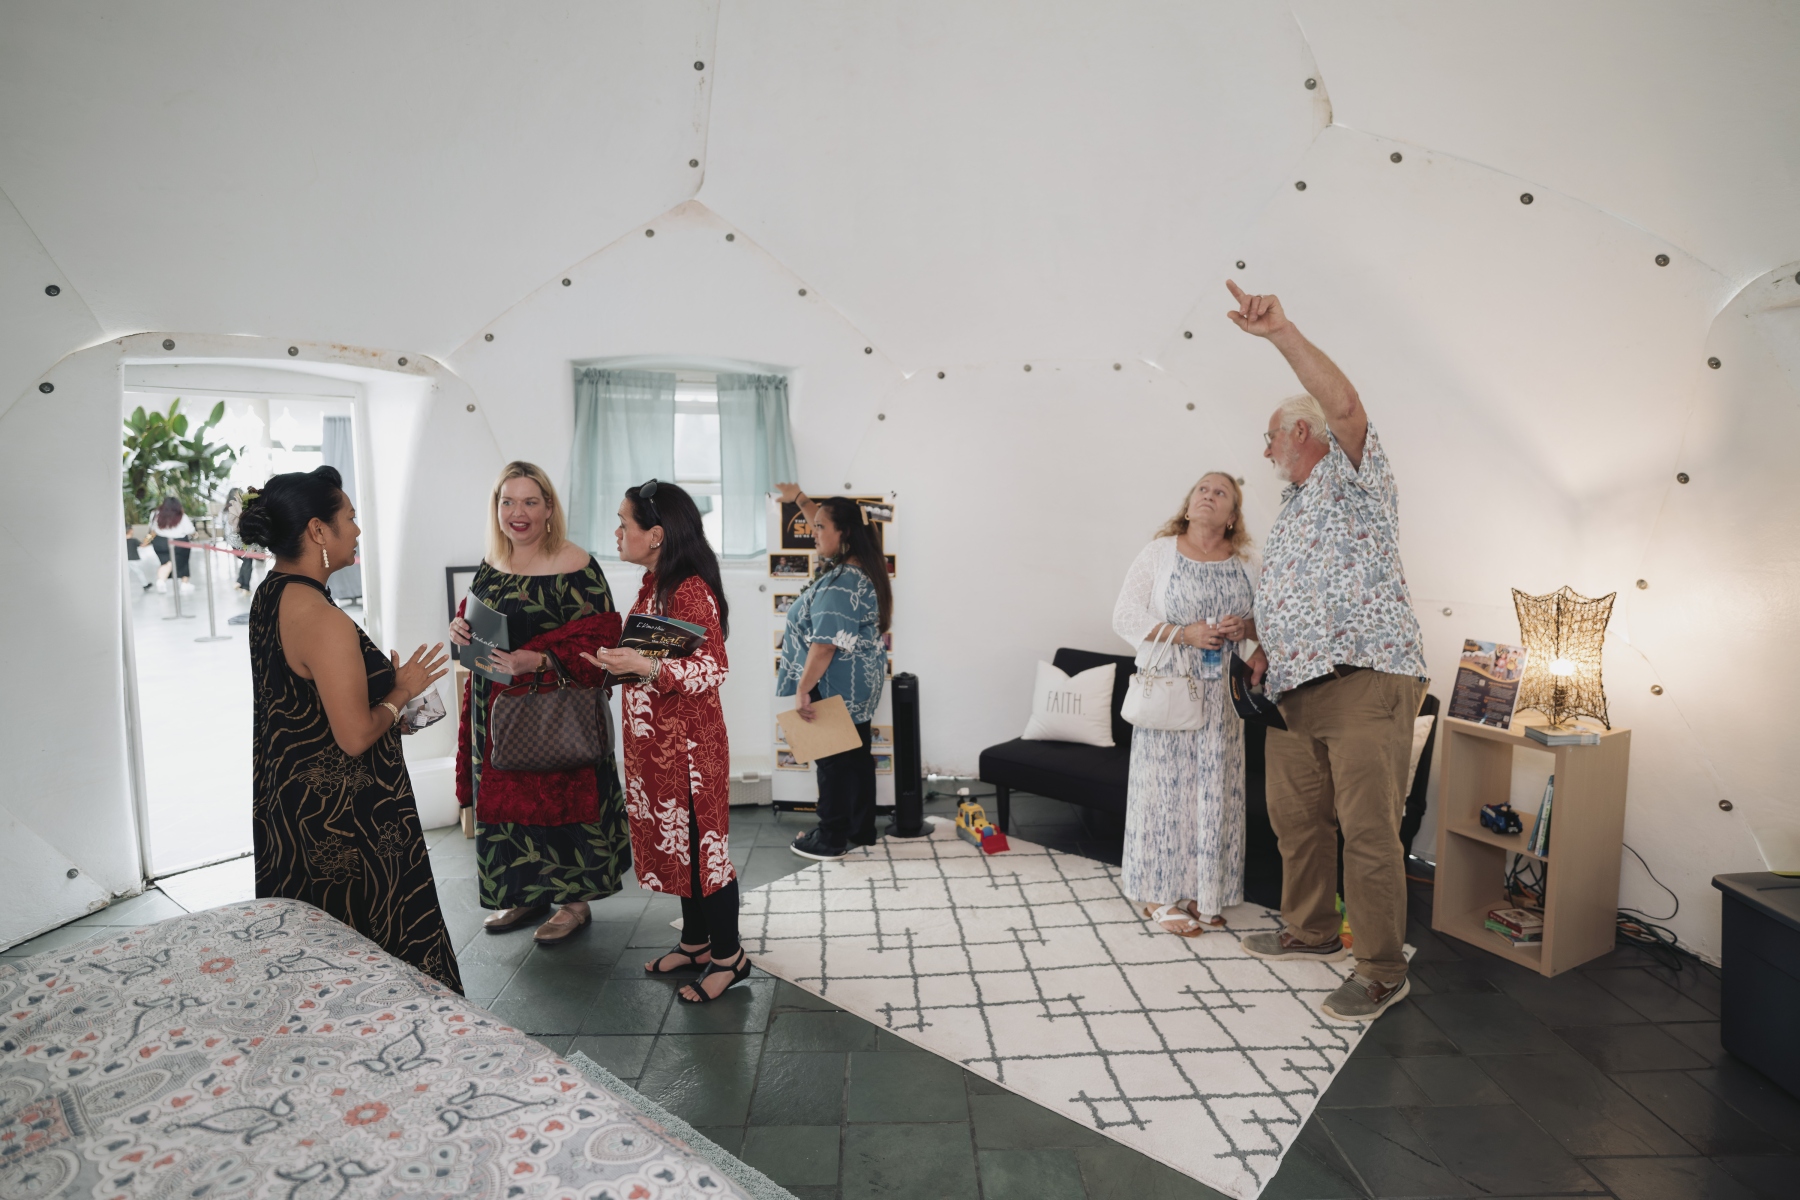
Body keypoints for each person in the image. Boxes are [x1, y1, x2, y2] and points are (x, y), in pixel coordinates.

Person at [1223, 280, 1429, 1023]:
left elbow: (1346, 404)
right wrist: (1261, 644)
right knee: (1298, 821)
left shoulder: (1353, 476)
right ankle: (1311, 931)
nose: (1265, 450)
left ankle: (1381, 969)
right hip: (1293, 688)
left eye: (1271, 436)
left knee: (1369, 832)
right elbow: (1298, 598)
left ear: (1302, 432)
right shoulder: (1293, 510)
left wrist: (1280, 333)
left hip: (1365, 679)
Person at [238, 467, 463, 991]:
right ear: (319, 530)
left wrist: (383, 696)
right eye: (351, 518)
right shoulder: (321, 618)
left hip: (293, 807)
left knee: (318, 957)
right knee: (373, 953)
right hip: (348, 823)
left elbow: (306, 710)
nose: (358, 530)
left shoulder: (270, 595)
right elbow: (355, 736)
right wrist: (401, 690)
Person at [449, 462, 631, 945]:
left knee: (559, 801)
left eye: (530, 501)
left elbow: (603, 643)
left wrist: (543, 659)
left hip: (555, 710)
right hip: (496, 707)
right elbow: (479, 618)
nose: (518, 512)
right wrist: (459, 627)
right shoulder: (493, 561)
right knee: (507, 806)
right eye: (508, 501)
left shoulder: (577, 564)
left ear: (549, 508)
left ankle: (574, 904)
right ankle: (525, 894)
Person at [580, 481, 746, 1004]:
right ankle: (696, 943)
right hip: (659, 748)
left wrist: (645, 667)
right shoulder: (655, 584)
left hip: (689, 753)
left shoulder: (689, 589)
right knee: (680, 847)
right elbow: (655, 661)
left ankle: (729, 958)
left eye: (623, 522)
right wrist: (617, 665)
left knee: (705, 851)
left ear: (655, 534)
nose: (617, 532)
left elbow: (712, 668)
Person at [1113, 473, 1266, 936]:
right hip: (1170, 689)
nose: (1208, 496)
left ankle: (1206, 889)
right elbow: (1125, 616)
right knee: (1164, 794)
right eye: (1202, 489)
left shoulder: (1247, 562)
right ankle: (1157, 894)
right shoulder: (1159, 553)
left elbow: (1271, 622)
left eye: (1220, 493)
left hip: (1222, 698)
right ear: (1187, 505)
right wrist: (1185, 634)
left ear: (1233, 515)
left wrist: (1247, 631)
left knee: (1216, 793)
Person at [772, 486, 892, 861]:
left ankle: (830, 838)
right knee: (855, 758)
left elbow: (825, 645)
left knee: (831, 762)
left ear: (844, 533)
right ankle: (860, 830)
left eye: (821, 527)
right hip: (858, 683)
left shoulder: (841, 583)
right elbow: (827, 522)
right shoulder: (860, 569)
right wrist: (800, 499)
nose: (814, 532)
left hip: (833, 682)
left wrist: (803, 689)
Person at [147, 496, 195, 592]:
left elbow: (152, 528)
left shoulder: (155, 514)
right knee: (181, 562)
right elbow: (190, 530)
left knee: (166, 563)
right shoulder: (181, 515)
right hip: (179, 542)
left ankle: (162, 581)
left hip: (160, 542)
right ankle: (183, 583)